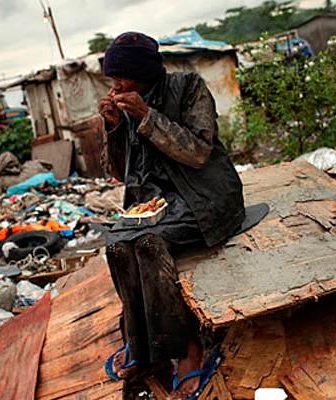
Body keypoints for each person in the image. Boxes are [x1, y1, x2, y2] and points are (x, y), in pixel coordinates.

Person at [99, 32, 246, 400]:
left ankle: (186, 351)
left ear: (144, 72)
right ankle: (144, 349)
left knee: (149, 245)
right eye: (112, 78)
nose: (116, 85)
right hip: (154, 202)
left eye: (122, 76)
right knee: (116, 248)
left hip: (203, 197)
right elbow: (119, 173)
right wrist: (115, 127)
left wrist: (147, 117)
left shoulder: (189, 87)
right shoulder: (124, 103)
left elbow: (198, 152)